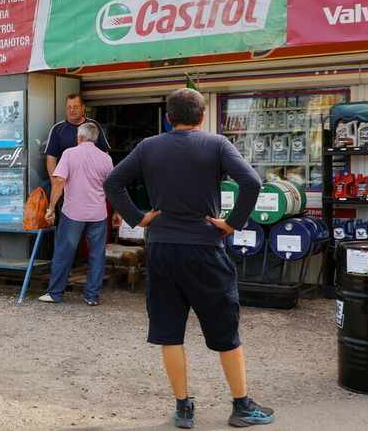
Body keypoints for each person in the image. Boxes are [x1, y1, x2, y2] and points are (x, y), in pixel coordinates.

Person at [103, 88, 272, 429]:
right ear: (202, 116)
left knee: (169, 332)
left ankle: (183, 408)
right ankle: (241, 406)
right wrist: (231, 224)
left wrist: (138, 217)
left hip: (163, 248)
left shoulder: (149, 146)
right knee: (226, 329)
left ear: (169, 118)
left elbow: (112, 182)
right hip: (206, 248)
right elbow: (252, 182)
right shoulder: (217, 145)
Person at [39, 122, 114, 306]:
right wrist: (117, 211)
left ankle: (55, 293)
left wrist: (51, 208)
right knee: (97, 254)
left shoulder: (69, 154)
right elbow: (112, 187)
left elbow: (58, 182)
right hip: (98, 214)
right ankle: (92, 296)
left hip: (73, 213)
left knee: (64, 252)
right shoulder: (106, 158)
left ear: (79, 137)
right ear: (95, 139)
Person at [45, 93, 110, 176]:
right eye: (69, 107)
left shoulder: (94, 126)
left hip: (91, 180)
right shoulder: (57, 129)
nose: (72, 110)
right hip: (66, 182)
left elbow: (104, 154)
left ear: (83, 108)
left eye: (75, 107)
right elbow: (51, 159)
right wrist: (55, 183)